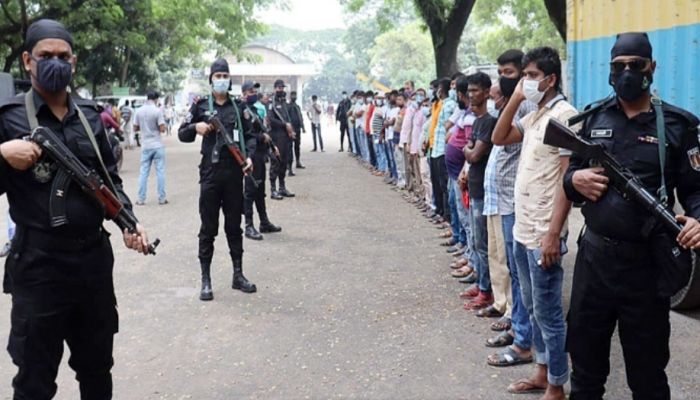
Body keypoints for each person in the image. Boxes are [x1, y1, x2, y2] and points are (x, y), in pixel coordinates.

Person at [0, 19, 151, 398]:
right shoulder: (8, 117)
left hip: (92, 266)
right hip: (38, 266)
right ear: (27, 61)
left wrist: (128, 222)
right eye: (45, 56)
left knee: (97, 370)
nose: (55, 63)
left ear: (75, 61)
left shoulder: (89, 116)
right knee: (34, 380)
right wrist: (1, 154)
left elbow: (109, 179)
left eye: (62, 56)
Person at [564, 32, 700, 400]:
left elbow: (695, 189)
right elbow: (569, 177)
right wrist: (575, 178)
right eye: (618, 66)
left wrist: (697, 219)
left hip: (645, 267)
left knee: (648, 377)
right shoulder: (592, 118)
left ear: (651, 68)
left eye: (635, 66)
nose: (626, 72)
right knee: (586, 373)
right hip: (593, 263)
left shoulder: (677, 124)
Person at [492, 46, 575, 400]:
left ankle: (557, 384)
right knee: (532, 304)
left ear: (551, 79)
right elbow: (499, 136)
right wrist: (516, 97)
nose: (526, 82)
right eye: (523, 75)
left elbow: (566, 180)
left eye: (531, 76)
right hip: (523, 228)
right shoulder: (538, 114)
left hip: (544, 232)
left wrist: (553, 234)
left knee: (549, 311)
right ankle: (542, 371)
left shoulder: (565, 116)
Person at [178, 58, 257, 300]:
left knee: (234, 226)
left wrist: (250, 157)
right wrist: (196, 128)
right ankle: (206, 279)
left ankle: (238, 274)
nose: (221, 79)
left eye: (225, 75)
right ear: (211, 79)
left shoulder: (238, 107)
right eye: (217, 75)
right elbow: (182, 133)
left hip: (234, 175)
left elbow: (252, 135)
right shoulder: (201, 106)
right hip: (210, 176)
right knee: (208, 228)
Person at [486, 48, 539, 366]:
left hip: (519, 202)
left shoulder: (531, 106)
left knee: (523, 276)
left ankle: (524, 339)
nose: (503, 79)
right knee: (516, 274)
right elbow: (497, 137)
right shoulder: (514, 105)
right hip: (505, 199)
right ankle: (519, 330)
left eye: (509, 73)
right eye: (500, 73)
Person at [461, 72, 497, 310]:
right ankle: (481, 282)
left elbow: (474, 154)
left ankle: (487, 290)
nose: (471, 95)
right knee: (475, 241)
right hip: (473, 187)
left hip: (484, 192)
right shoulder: (476, 122)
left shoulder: (490, 121)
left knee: (483, 244)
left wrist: (467, 149)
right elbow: (471, 153)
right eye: (469, 91)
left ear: (486, 92)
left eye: (475, 90)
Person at [240, 80, 282, 241]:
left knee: (260, 190)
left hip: (260, 155)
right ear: (243, 93)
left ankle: (264, 222)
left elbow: (262, 131)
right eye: (250, 91)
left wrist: (271, 146)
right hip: (249, 156)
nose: (253, 94)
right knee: (250, 191)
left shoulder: (254, 110)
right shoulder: (242, 110)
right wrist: (261, 137)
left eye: (254, 91)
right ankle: (248, 226)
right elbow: (245, 135)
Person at [133, 90, 167, 205]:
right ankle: (162, 198)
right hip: (157, 145)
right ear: (156, 99)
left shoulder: (138, 111)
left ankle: (141, 199)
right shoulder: (158, 111)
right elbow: (162, 129)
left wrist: (144, 128)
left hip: (145, 146)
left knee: (143, 173)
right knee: (160, 172)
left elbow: (135, 128)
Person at [268, 79, 296, 200]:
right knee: (276, 162)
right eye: (279, 88)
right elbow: (270, 120)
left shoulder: (284, 102)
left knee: (284, 161)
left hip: (286, 137)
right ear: (275, 88)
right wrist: (284, 125)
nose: (281, 90)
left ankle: (282, 187)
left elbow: (288, 118)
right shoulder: (272, 103)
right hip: (276, 136)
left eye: (282, 88)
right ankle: (273, 189)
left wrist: (291, 130)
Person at [287, 90, 305, 175]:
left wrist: (303, 126)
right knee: (289, 148)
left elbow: (300, 117)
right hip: (291, 129)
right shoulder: (288, 106)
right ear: (290, 97)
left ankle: (298, 161)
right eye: (293, 95)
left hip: (297, 129)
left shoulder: (297, 106)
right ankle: (289, 167)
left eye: (295, 95)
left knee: (297, 146)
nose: (294, 97)